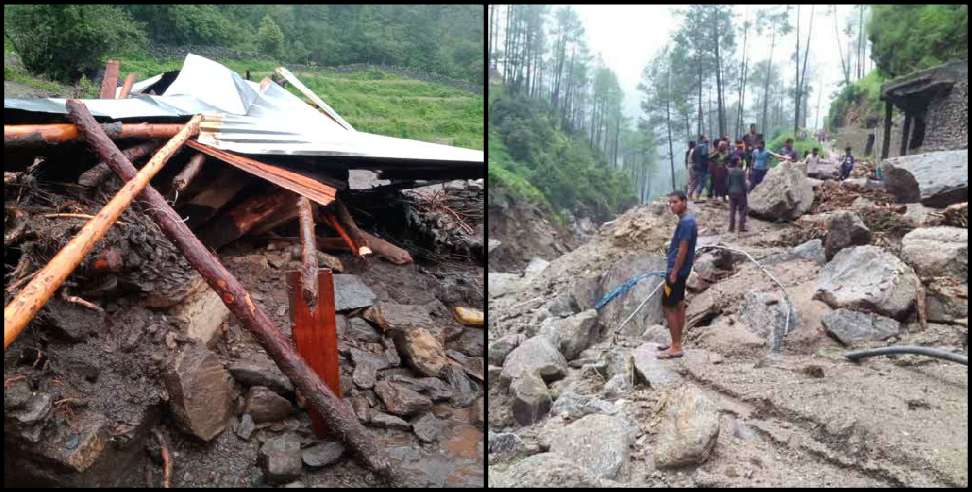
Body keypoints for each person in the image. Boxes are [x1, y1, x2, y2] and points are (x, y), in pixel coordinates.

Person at [657, 190, 697, 359]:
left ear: (684, 202)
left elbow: (683, 248)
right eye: (670, 203)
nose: (672, 206)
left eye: (675, 202)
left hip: (676, 271)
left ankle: (676, 346)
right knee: (679, 304)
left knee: (668, 306)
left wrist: (674, 272)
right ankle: (676, 342)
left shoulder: (686, 223)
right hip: (682, 270)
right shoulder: (687, 221)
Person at [727, 157, 748, 233]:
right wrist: (746, 191)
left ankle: (731, 228)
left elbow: (728, 183)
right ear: (737, 162)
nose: (740, 161)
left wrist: (728, 192)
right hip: (740, 193)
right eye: (739, 160)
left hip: (731, 192)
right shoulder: (741, 172)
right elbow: (743, 184)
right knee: (742, 210)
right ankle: (741, 227)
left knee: (732, 211)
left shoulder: (730, 171)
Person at [690, 135, 710, 201]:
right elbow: (704, 155)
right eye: (706, 137)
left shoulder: (696, 147)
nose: (708, 138)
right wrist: (707, 163)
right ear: (703, 139)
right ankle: (697, 195)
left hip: (697, 167)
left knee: (698, 181)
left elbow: (693, 157)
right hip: (703, 167)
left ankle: (692, 194)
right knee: (702, 182)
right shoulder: (704, 146)